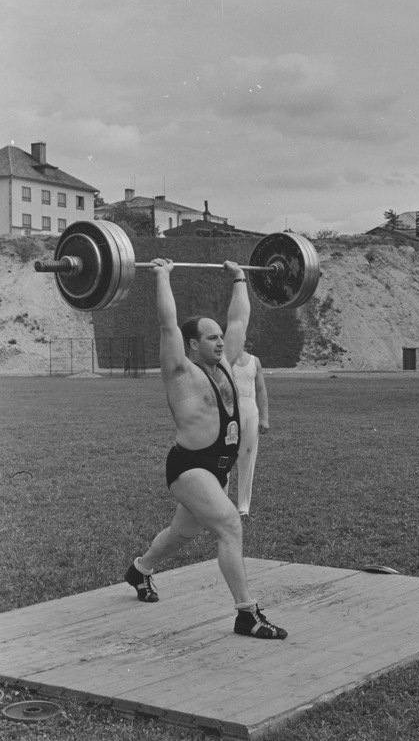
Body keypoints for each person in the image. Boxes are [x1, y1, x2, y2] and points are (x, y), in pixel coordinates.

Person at [124, 257, 287, 640]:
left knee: (181, 534)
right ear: (193, 344)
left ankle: (141, 569)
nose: (221, 341)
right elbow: (167, 324)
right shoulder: (180, 373)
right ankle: (247, 614)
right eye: (211, 337)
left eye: (220, 336)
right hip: (188, 468)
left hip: (217, 469)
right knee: (230, 525)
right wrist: (162, 276)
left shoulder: (227, 366)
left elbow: (239, 321)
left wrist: (240, 279)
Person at [232, 344, 269, 518]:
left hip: (250, 413)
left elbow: (261, 390)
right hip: (230, 414)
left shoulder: (255, 362)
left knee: (248, 457)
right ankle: (220, 503)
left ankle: (243, 507)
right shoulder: (224, 361)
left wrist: (264, 417)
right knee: (224, 457)